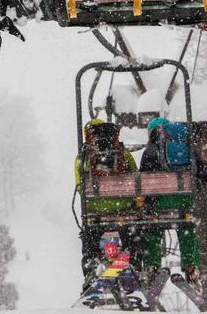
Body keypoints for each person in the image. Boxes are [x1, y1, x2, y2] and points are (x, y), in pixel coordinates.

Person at [136, 118, 201, 284]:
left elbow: (143, 181)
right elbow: (202, 171)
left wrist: (148, 204)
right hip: (183, 202)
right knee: (187, 230)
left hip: (159, 204)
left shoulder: (151, 150)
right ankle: (191, 266)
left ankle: (152, 266)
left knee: (152, 230)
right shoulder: (186, 147)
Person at [76, 120, 138, 287]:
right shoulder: (123, 154)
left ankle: (92, 266)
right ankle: (132, 263)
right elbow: (136, 180)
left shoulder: (83, 159)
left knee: (89, 236)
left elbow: (81, 188)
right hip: (123, 210)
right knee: (133, 234)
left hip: (96, 210)